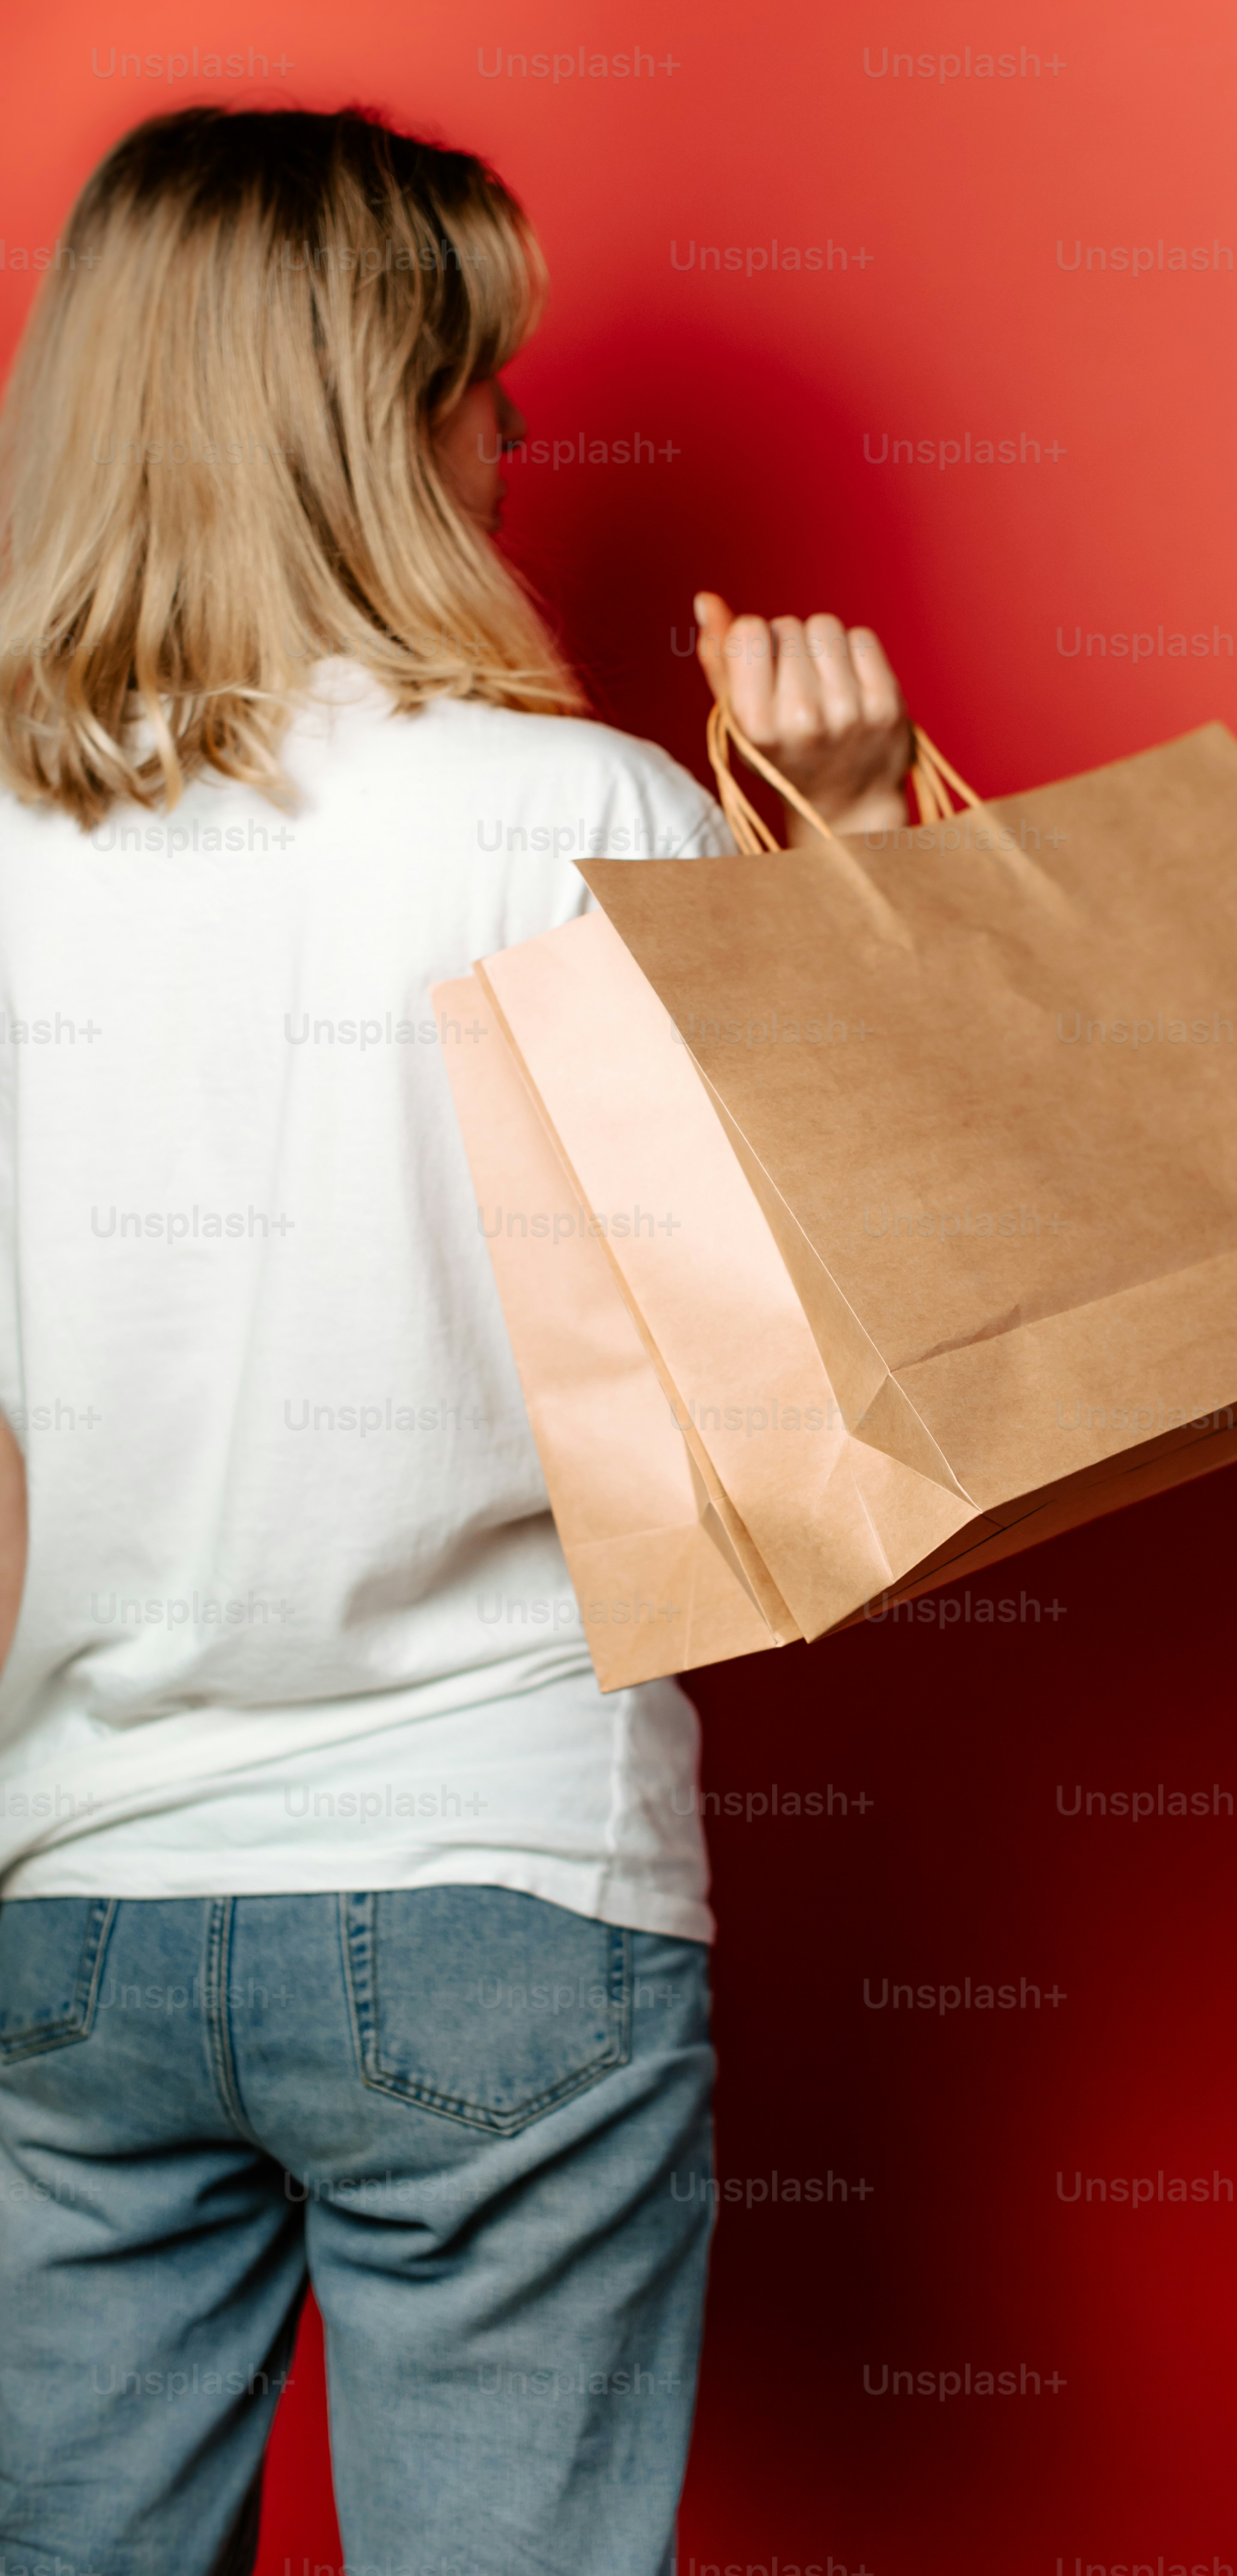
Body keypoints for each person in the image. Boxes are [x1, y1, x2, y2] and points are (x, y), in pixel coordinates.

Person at [0, 103, 912, 2576]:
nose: (515, 440)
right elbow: (874, 1288)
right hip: (504, 1880)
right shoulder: (579, 819)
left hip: (66, 1894)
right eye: (483, 382)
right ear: (387, 424)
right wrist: (845, 833)